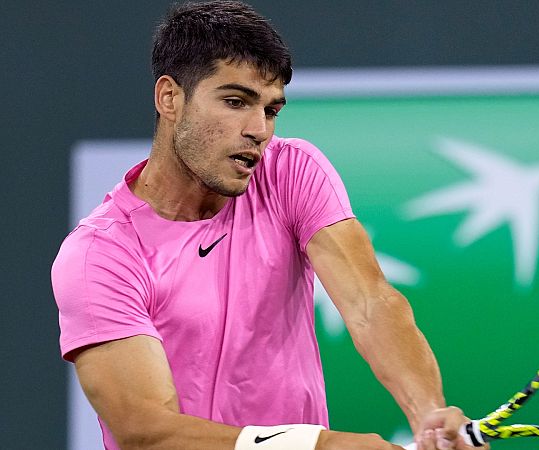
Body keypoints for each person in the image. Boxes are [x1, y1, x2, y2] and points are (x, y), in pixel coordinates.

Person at [51, 1, 482, 449]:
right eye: (235, 102)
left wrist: (428, 413)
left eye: (271, 110)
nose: (259, 129)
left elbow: (370, 303)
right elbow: (147, 431)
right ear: (170, 98)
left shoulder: (290, 171)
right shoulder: (99, 255)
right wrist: (317, 445)